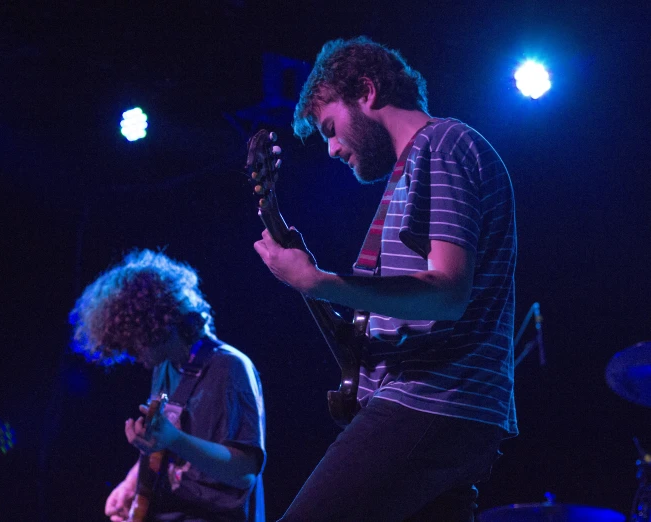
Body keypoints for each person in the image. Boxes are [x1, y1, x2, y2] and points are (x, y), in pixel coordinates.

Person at [253, 36, 517, 521]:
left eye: (331, 127)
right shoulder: (417, 165)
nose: (331, 148)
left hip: (430, 401)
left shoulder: (441, 145)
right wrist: (314, 283)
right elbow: (407, 312)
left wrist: (320, 282)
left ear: (367, 92)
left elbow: (449, 293)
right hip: (451, 410)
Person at [70, 249, 266, 522]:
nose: (130, 354)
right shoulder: (165, 367)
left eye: (133, 341)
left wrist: (174, 439)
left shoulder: (229, 367)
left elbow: (243, 472)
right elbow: (167, 446)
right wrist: (132, 483)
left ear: (156, 324)